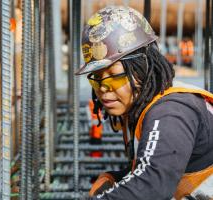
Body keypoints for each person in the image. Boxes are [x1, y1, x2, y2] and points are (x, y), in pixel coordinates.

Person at [75, 6, 213, 200]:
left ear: (142, 67)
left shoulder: (170, 112)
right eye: (96, 78)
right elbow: (161, 163)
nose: (104, 88)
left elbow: (152, 186)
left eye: (114, 76)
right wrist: (116, 177)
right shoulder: (152, 101)